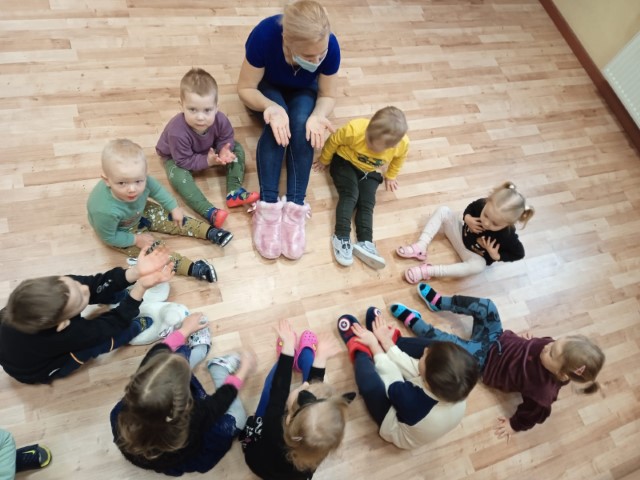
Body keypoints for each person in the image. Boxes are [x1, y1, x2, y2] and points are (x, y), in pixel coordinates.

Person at [391, 283, 605, 439]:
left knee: (448, 346)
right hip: (496, 337)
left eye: (551, 353)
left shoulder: (543, 394)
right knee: (487, 306)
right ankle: (440, 303)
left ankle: (417, 324)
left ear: (562, 373)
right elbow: (544, 345)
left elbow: (532, 415)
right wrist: (527, 343)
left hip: (484, 362)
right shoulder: (553, 348)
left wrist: (514, 425)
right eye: (554, 343)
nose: (547, 346)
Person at [237, 0, 341, 260]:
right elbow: (246, 88)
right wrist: (270, 108)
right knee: (278, 123)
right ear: (287, 40)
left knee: (303, 124)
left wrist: (318, 115)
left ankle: (295, 209)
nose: (316, 61)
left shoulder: (331, 46)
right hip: (267, 88)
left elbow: (328, 94)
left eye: (321, 55)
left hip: (304, 91)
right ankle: (268, 207)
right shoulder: (264, 36)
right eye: (308, 57)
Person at [0, 245, 173, 384]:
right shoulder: (69, 335)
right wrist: (140, 288)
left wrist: (135, 272)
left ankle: (118, 295)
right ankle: (134, 329)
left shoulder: (52, 292)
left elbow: (93, 284)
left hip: (20, 347)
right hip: (34, 370)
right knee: (93, 345)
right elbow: (113, 324)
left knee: (97, 289)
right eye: (80, 297)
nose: (84, 288)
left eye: (74, 284)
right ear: (63, 324)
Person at [110, 312, 256, 476]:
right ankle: (218, 368)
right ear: (184, 404)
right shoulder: (192, 419)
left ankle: (197, 352)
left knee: (171, 362)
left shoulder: (122, 411)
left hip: (154, 454)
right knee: (238, 419)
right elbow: (217, 404)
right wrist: (243, 372)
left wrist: (184, 330)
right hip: (187, 450)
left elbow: (153, 358)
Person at [87, 138, 227, 283]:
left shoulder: (142, 180)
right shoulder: (104, 211)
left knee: (174, 219)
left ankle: (210, 232)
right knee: (153, 253)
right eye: (122, 183)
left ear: (144, 174)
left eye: (138, 181)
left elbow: (158, 190)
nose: (132, 189)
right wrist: (136, 239)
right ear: (107, 180)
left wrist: (173, 207)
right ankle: (193, 268)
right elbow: (109, 237)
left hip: (140, 211)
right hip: (122, 231)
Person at [337, 307, 478, 449]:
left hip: (396, 424)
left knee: (369, 384)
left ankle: (361, 350)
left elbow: (391, 376)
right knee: (433, 351)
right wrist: (387, 342)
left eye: (425, 356)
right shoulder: (455, 385)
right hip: (422, 408)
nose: (425, 350)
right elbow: (417, 370)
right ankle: (392, 341)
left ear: (427, 382)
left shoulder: (413, 401)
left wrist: (374, 345)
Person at [240, 319, 354, 479]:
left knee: (270, 387)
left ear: (288, 418)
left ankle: (290, 358)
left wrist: (287, 347)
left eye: (302, 390)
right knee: (312, 378)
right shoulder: (319, 448)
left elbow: (278, 391)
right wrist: (320, 358)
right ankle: (304, 359)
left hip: (259, 460)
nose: (305, 384)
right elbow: (315, 404)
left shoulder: (272, 424)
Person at [156, 67, 259, 235]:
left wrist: (224, 150)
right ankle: (209, 212)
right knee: (179, 177)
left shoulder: (220, 119)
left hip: (208, 149)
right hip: (177, 157)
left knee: (237, 148)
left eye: (207, 110)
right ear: (181, 106)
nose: (200, 117)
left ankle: (234, 191)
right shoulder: (177, 132)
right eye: (192, 110)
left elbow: (226, 136)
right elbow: (183, 161)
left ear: (216, 107)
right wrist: (207, 161)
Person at [314, 106, 409, 269]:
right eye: (368, 140)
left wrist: (391, 175)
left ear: (391, 146)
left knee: (367, 203)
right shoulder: (355, 129)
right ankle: (341, 237)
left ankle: (366, 242)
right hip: (344, 162)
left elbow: (399, 159)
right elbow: (334, 140)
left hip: (369, 171)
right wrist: (324, 159)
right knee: (350, 195)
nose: (369, 145)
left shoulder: (402, 144)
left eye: (374, 147)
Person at [396, 181, 534, 283]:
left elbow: (519, 254)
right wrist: (467, 218)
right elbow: (470, 208)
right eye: (486, 215)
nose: (486, 223)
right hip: (460, 233)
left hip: (472, 255)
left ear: (508, 224)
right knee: (444, 210)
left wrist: (496, 255)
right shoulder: (482, 204)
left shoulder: (508, 236)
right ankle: (421, 245)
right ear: (487, 201)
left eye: (495, 224)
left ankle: (429, 271)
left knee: (479, 266)